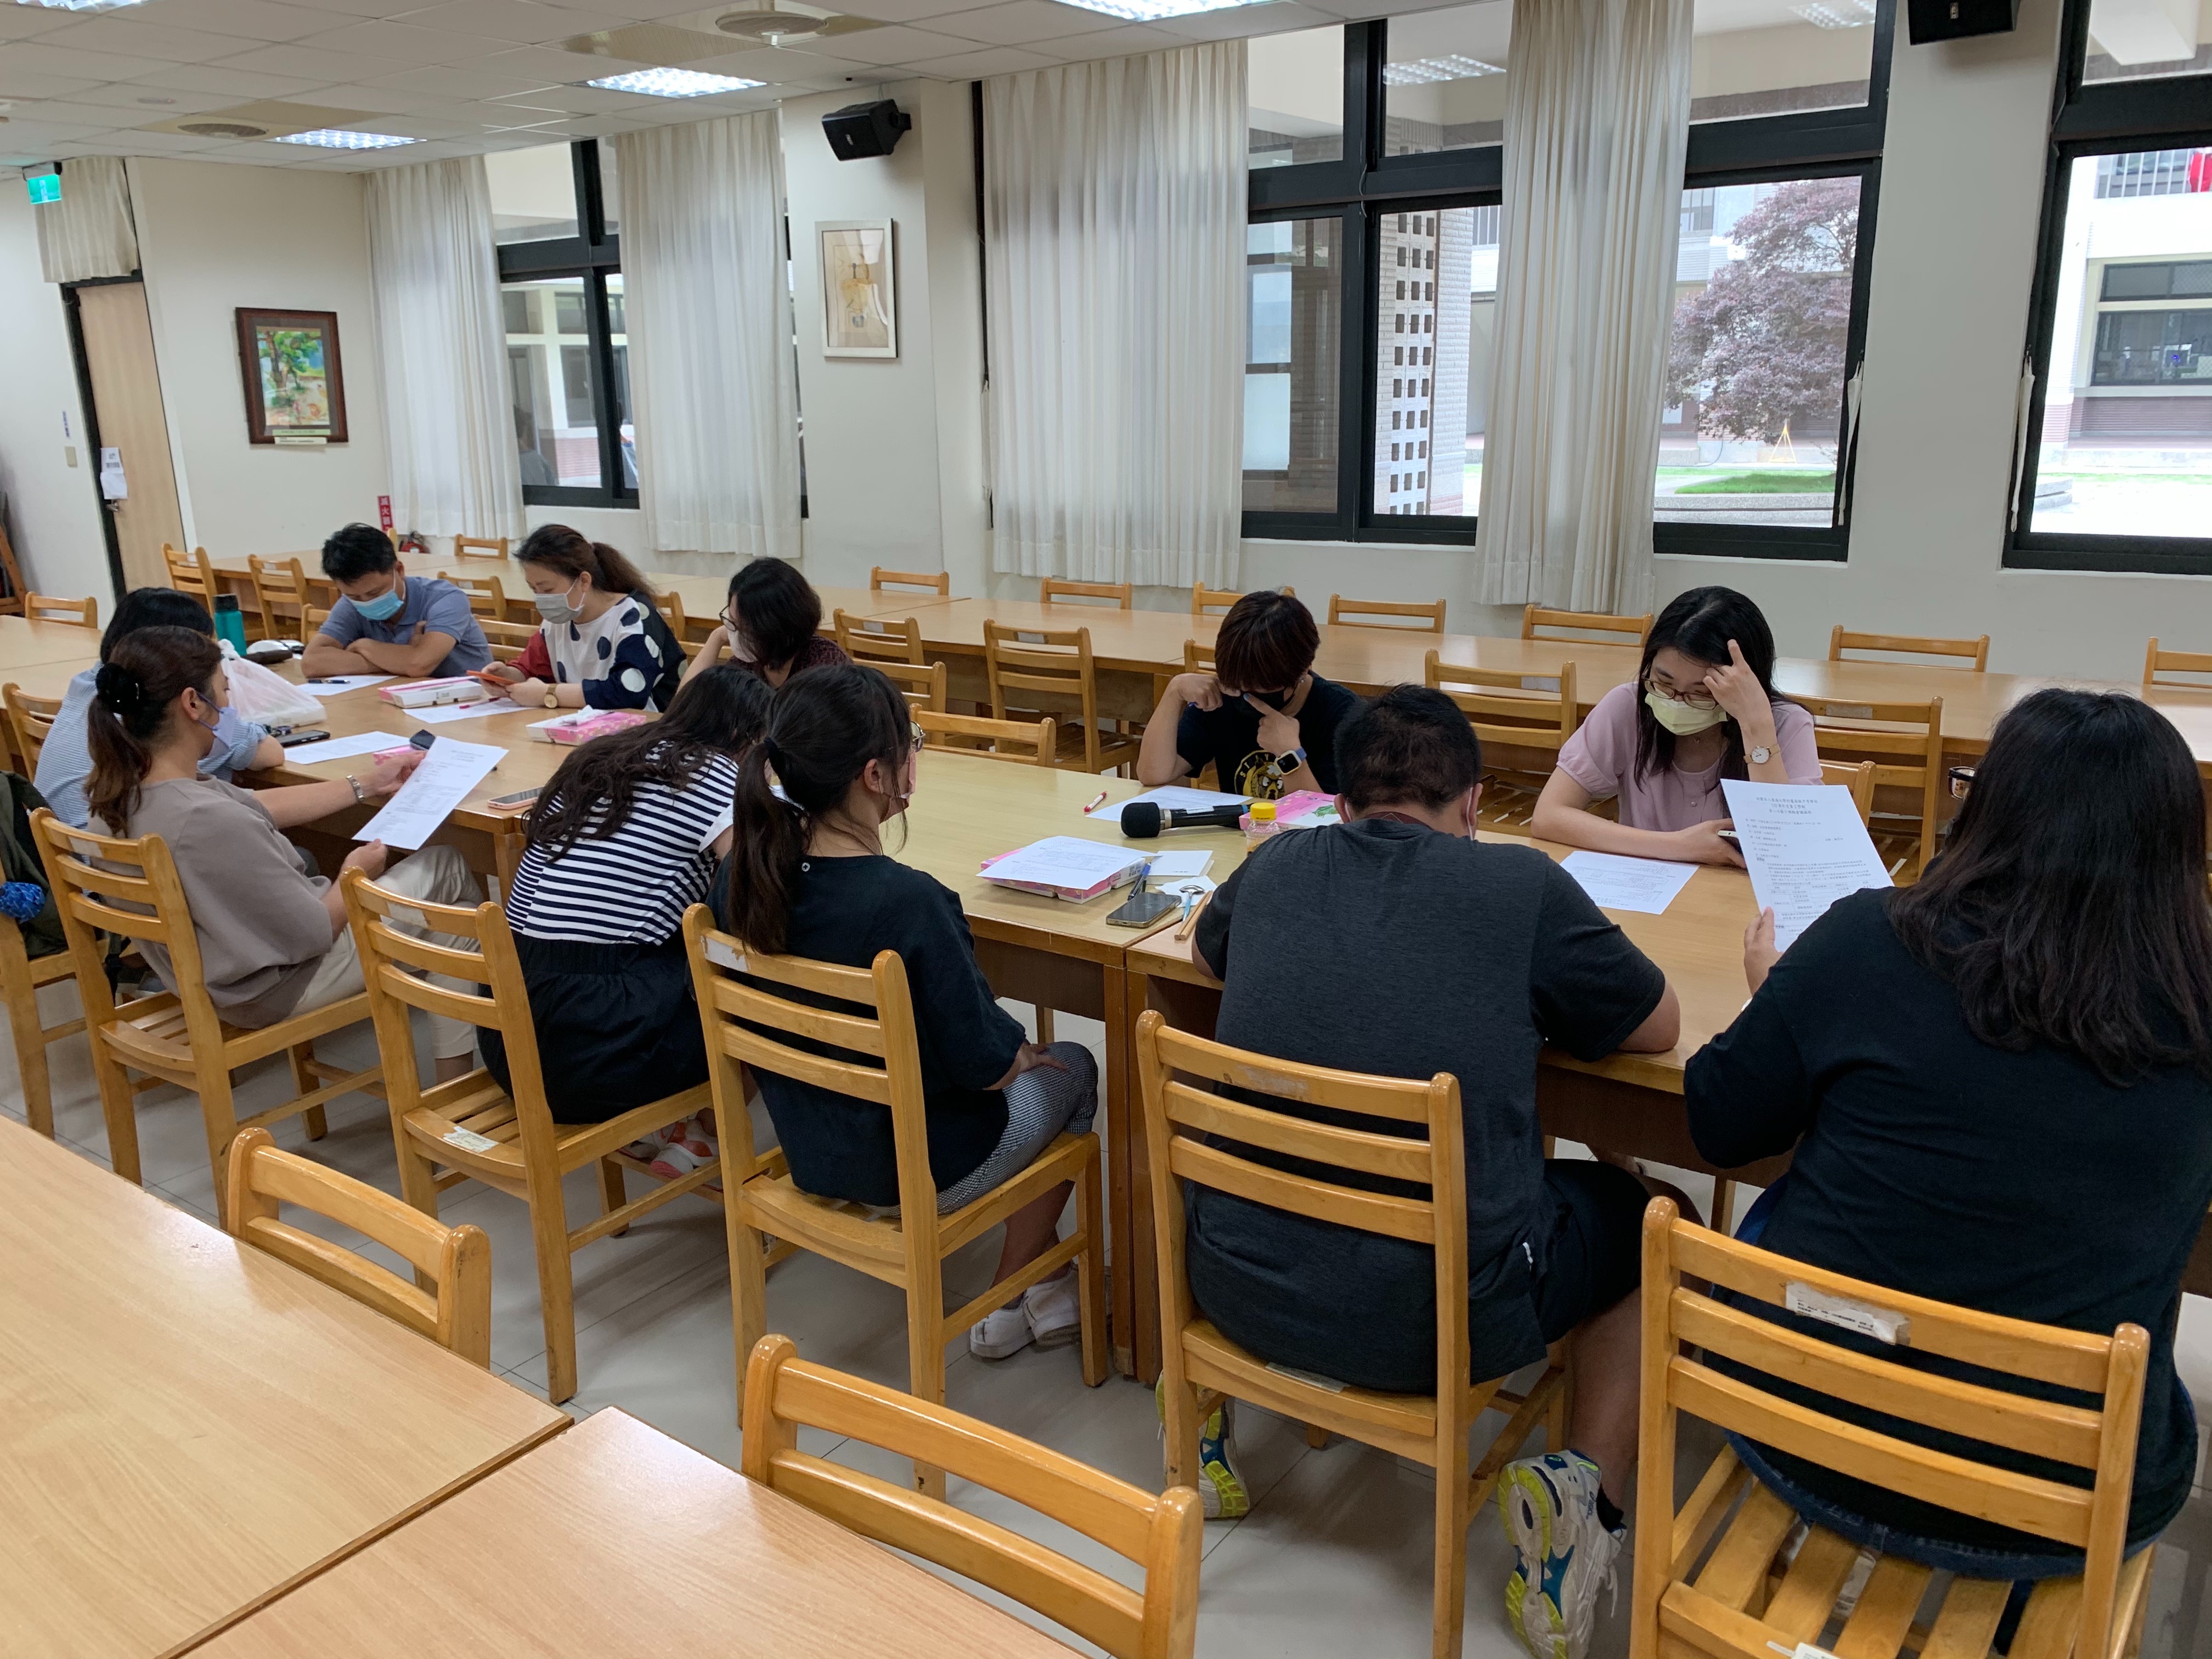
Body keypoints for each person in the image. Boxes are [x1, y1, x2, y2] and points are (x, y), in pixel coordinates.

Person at [1685, 688, 2212, 1608]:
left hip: (1802, 1428)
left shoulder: (1863, 938)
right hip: (2062, 1499)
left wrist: (1781, 998)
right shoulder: (2197, 999)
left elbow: (1719, 1125)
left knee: (1791, 1211)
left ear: (1986, 809)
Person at [1186, 684, 1684, 1655]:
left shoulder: (1278, 860)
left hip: (1233, 1284)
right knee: (1645, 1215)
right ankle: (1584, 1504)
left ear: (1340, 801)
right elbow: (1659, 1026)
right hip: (1432, 1329)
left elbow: (1208, 957)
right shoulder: (1519, 886)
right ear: (1474, 803)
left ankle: (1204, 1412)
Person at [714, 663, 1095, 1360]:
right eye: (908, 744)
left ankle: (1045, 1285)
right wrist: (1019, 1050)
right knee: (1072, 1063)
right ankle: (1013, 1295)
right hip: (918, 1171)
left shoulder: (739, 877)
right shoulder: (908, 902)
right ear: (875, 775)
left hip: (807, 1147)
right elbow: (988, 1068)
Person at [84, 627, 487, 1081]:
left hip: (211, 976)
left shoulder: (121, 795)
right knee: (448, 872)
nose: (231, 705)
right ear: (193, 703)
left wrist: (365, 784)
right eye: (225, 691)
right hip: (275, 987)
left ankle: (458, 1088)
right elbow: (315, 931)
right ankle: (487, 1062)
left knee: (455, 926)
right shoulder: (206, 819)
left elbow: (254, 806)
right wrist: (353, 875)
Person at [482, 665, 770, 1147]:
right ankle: (703, 1139)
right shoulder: (713, 771)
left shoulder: (602, 755)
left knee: (684, 945)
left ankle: (684, 1130)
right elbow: (755, 878)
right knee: (753, 976)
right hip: (590, 1046)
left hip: (506, 1036)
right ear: (748, 740)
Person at [1530, 585, 1819, 866]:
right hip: (1647, 885)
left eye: (1702, 692)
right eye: (1664, 682)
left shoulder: (1786, 725)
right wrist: (1680, 846)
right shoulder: (1628, 706)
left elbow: (1792, 851)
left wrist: (1756, 726)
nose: (1677, 701)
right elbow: (1548, 816)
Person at [38, 588, 284, 829]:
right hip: (134, 846)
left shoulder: (92, 687)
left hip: (74, 847)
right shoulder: (155, 711)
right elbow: (270, 755)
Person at [1135, 589, 1359, 799]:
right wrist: (1174, 691)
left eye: (1260, 692)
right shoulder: (1222, 696)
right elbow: (1153, 775)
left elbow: (1327, 819)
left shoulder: (1343, 715)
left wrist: (1290, 755)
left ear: (1304, 670)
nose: (1245, 698)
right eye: (1237, 688)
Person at [483, 525, 684, 713]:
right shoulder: (558, 620)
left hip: (646, 727)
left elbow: (627, 692)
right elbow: (533, 668)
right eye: (534, 589)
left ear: (584, 581)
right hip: (583, 724)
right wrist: (509, 677)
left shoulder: (633, 616)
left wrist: (549, 694)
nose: (541, 599)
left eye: (548, 590)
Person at [303, 522, 492, 681]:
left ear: (399, 570)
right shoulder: (351, 604)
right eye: (354, 597)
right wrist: (399, 661)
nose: (366, 602)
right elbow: (311, 662)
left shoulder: (446, 598)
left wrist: (364, 646)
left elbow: (419, 665)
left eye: (375, 592)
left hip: (470, 701)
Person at [680, 556, 848, 690]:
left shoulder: (825, 667)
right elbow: (686, 706)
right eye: (733, 622)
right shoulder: (748, 662)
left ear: (777, 628)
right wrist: (717, 637)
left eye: (746, 628)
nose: (736, 635)